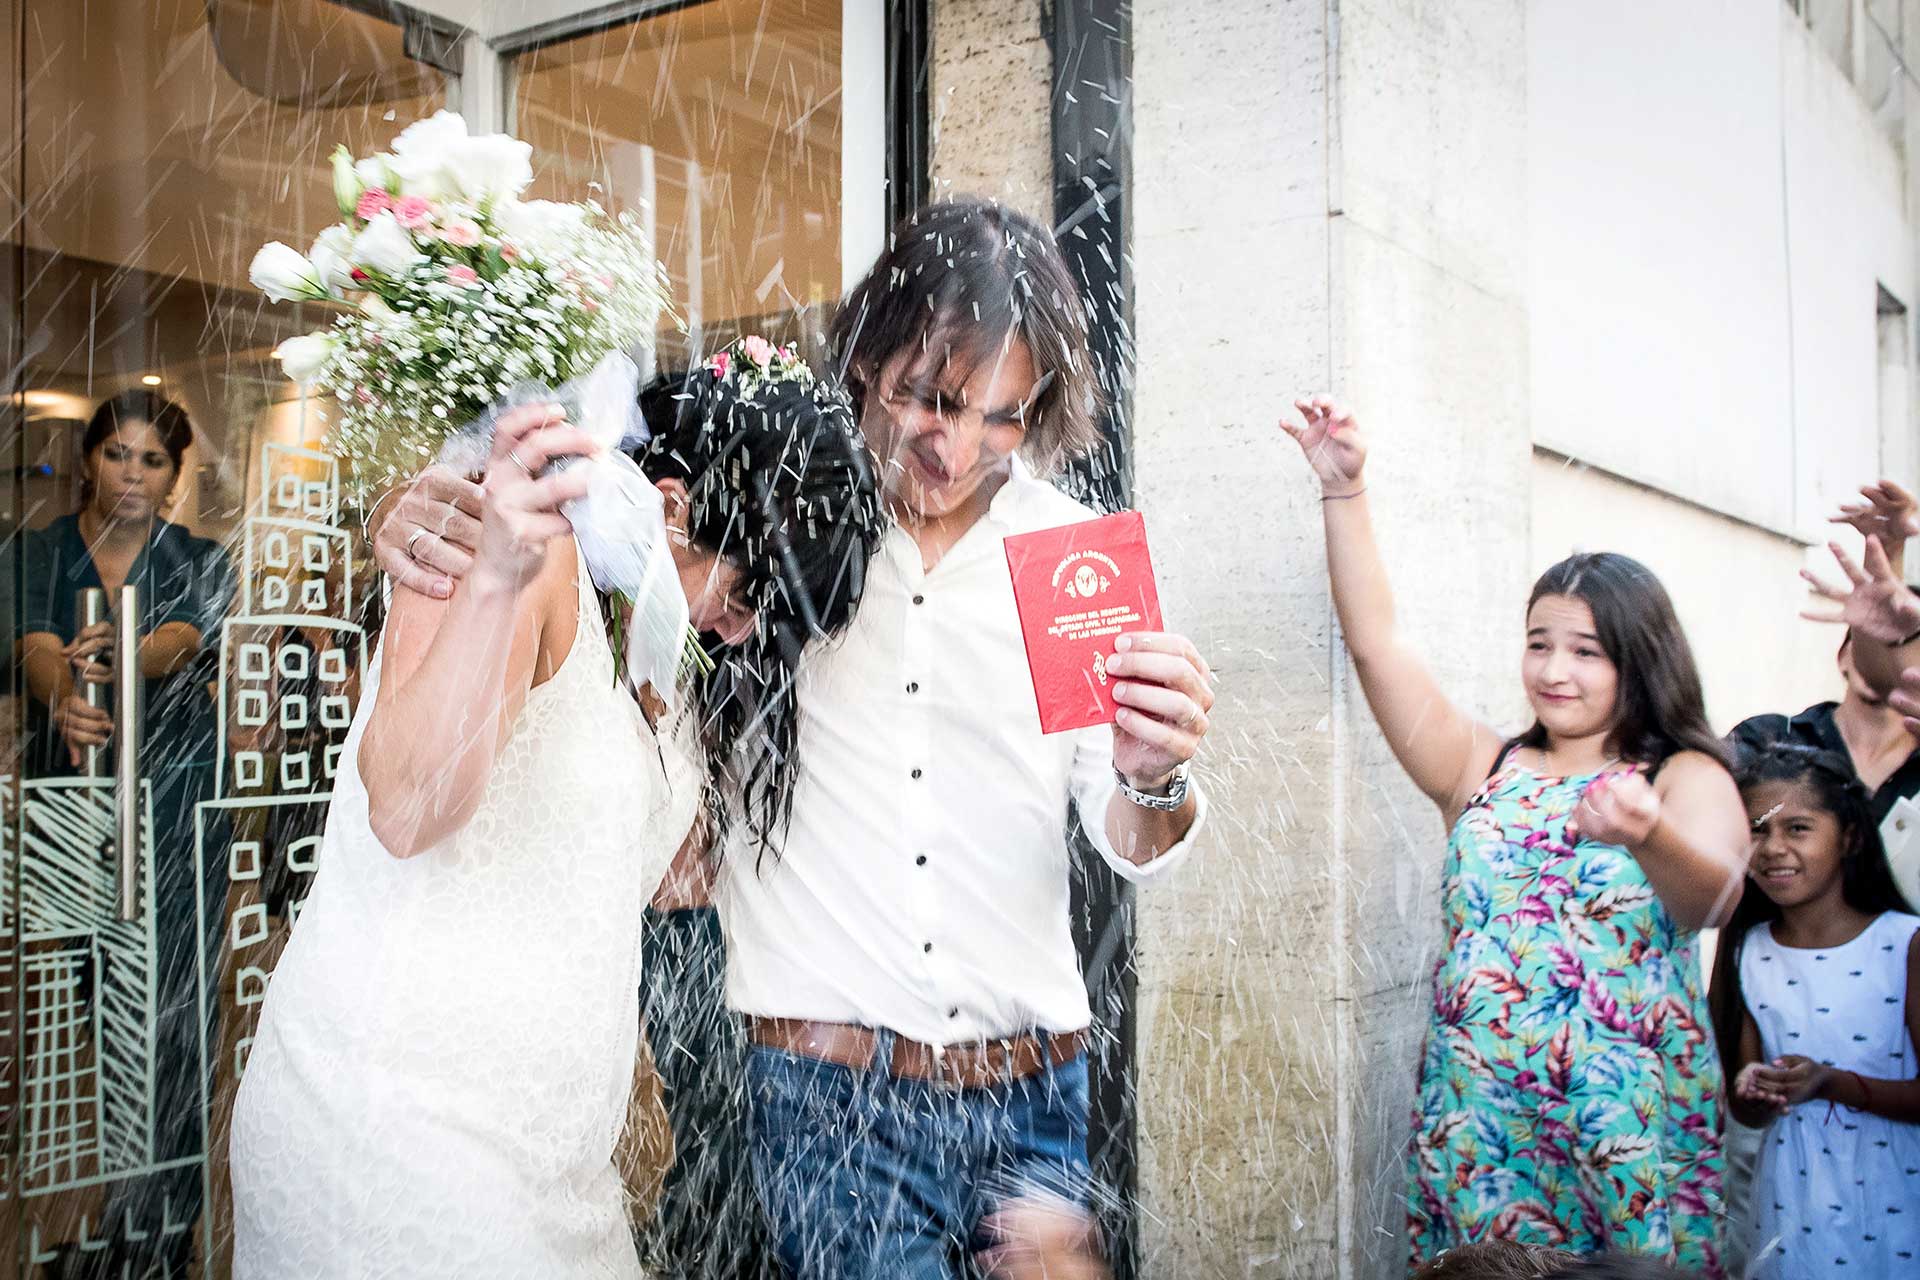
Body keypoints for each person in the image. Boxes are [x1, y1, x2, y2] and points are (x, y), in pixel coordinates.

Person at [373, 198, 1216, 1279]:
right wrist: (421, 508)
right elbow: (602, 516)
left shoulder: (1071, 557)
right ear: (867, 356)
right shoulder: (780, 510)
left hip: (1033, 1098)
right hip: (827, 1104)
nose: (956, 447)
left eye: (1001, 416)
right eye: (930, 398)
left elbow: (1133, 838)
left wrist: (1157, 775)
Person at [229, 346, 882, 1277]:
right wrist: (492, 573)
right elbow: (407, 809)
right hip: (402, 1134)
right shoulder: (518, 548)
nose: (741, 634)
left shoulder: (654, 635)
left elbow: (633, 871)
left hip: (551, 1160)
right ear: (673, 505)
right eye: (745, 599)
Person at [1278, 397, 1747, 1274]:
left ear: (1640, 659)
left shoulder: (1683, 775)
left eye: (1586, 651)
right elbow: (1378, 646)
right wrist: (1346, 492)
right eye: (1540, 644)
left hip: (1628, 1137)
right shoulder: (1480, 768)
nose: (1554, 671)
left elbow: (1715, 898)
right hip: (1483, 1131)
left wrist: (1649, 835)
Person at [12, 389, 234, 1270]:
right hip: (76, 813)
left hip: (176, 816)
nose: (133, 475)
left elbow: (183, 636)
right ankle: (128, 1215)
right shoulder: (36, 552)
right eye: (118, 455)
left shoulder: (202, 557)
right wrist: (61, 693)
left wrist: (119, 653)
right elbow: (28, 639)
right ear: (88, 462)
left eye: (152, 462)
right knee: (103, 1013)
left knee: (177, 1021)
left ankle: (159, 1232)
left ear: (176, 480)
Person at [1705, 742, 1920, 1279]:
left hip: (1900, 1189)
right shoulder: (1747, 950)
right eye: (1757, 829)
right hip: (1793, 1203)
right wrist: (1753, 1088)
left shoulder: (1904, 944)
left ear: (1848, 837)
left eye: (1797, 828)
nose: (1772, 847)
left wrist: (1831, 1083)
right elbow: (1748, 1106)